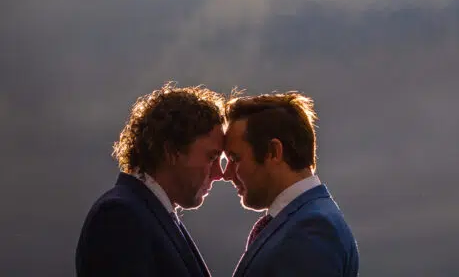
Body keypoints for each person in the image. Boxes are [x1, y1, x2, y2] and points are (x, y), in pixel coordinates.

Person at [76, 84, 226, 277]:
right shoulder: (120, 216)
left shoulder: (148, 212)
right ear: (171, 151)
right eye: (212, 157)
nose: (219, 174)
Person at [223, 92, 359, 277]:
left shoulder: (312, 229)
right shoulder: (305, 221)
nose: (226, 173)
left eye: (235, 158)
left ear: (273, 152)